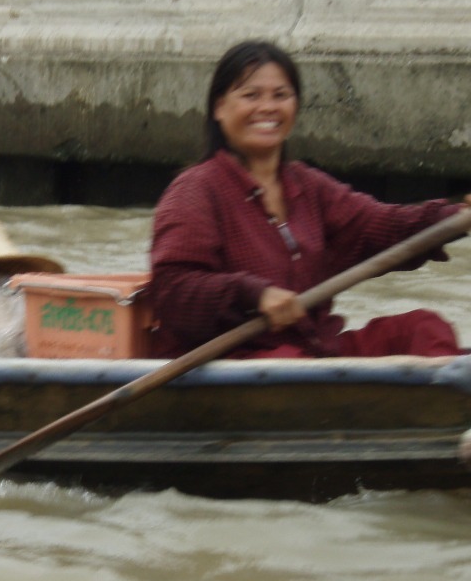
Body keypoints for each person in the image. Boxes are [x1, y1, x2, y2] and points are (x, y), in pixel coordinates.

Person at [148, 40, 470, 359]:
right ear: (219, 107)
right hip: (240, 360)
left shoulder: (308, 186)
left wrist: (454, 217)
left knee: (424, 329)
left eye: (281, 95)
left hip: (315, 350)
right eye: (251, 95)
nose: (267, 108)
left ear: (295, 106)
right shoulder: (195, 189)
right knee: (285, 364)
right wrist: (253, 296)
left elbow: (381, 226)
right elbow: (172, 289)